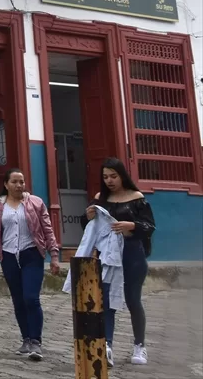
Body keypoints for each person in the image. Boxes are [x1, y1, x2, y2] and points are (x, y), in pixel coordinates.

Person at [0, 168, 60, 361]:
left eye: (21, 182)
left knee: (31, 298)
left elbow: (47, 229)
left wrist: (54, 255)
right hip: (8, 255)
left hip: (31, 254)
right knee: (18, 300)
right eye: (14, 182)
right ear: (6, 184)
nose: (19, 185)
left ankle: (36, 341)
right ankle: (26, 339)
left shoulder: (35, 203)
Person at [87, 157, 154, 367]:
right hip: (107, 255)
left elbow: (149, 226)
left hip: (132, 254)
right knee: (107, 300)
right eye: (105, 177)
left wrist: (131, 225)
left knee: (133, 300)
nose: (109, 180)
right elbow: (90, 228)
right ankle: (107, 345)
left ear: (122, 176)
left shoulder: (136, 198)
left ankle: (139, 345)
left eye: (113, 176)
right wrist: (87, 216)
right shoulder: (100, 198)